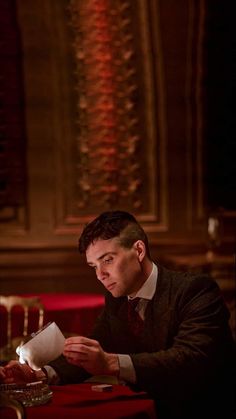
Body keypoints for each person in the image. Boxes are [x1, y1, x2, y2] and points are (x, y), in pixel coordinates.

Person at [0, 210, 235, 418]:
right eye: (94, 266)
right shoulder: (117, 299)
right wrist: (39, 375)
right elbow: (93, 350)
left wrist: (110, 363)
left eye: (108, 260)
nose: (100, 274)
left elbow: (189, 359)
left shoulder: (196, 290)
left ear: (139, 250)